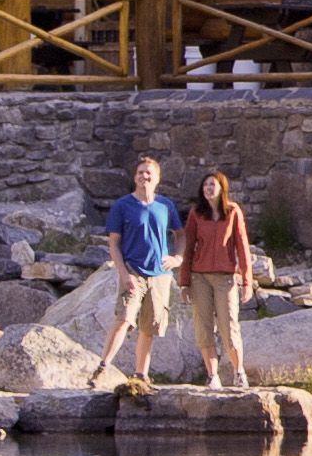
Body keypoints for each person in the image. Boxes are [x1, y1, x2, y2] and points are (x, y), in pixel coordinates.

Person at [95, 156, 183, 384]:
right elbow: (114, 243)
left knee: (149, 326)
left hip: (160, 274)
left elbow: (180, 234)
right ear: (135, 177)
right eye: (140, 172)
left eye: (148, 173)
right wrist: (123, 274)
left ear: (157, 178)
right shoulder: (123, 206)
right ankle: (103, 367)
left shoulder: (166, 206)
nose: (144, 176)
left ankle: (141, 374)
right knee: (124, 318)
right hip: (133, 270)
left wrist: (178, 258)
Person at [183, 168, 261, 393]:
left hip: (225, 278)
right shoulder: (196, 213)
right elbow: (188, 248)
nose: (208, 188)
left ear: (221, 188)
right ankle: (212, 375)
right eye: (205, 185)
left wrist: (247, 281)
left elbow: (242, 247)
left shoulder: (233, 211)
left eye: (212, 184)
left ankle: (239, 372)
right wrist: (184, 282)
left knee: (229, 326)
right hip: (200, 277)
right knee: (203, 325)